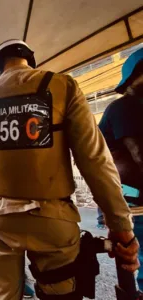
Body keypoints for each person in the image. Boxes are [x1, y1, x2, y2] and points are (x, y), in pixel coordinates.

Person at [0, 39, 140, 300]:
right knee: (60, 292)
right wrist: (120, 223)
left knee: (0, 292)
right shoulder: (62, 85)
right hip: (54, 220)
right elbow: (94, 160)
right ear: (29, 61)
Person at [98, 47, 143, 293]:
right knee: (132, 260)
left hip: (128, 202)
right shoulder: (126, 107)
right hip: (131, 203)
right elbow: (140, 155)